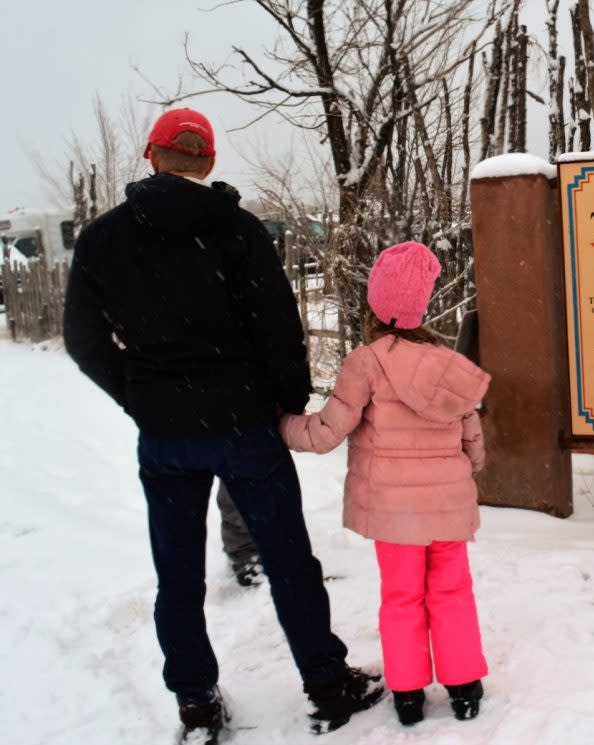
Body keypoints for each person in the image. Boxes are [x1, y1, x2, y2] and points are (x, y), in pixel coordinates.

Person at [63, 108, 383, 744]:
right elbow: (278, 326)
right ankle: (326, 682)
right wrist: (282, 401)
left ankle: (196, 704)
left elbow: (83, 339)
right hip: (244, 426)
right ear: (208, 162)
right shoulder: (237, 230)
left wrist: (140, 397)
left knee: (178, 574)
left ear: (151, 156)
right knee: (288, 560)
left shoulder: (103, 239)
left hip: (166, 438)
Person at [281, 241, 490, 727]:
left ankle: (409, 693)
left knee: (401, 599)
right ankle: (463, 687)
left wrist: (282, 426)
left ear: (376, 303)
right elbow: (472, 437)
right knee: (453, 593)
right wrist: (464, 473)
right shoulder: (446, 365)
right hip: (447, 507)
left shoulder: (365, 363)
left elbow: (327, 431)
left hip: (394, 516)